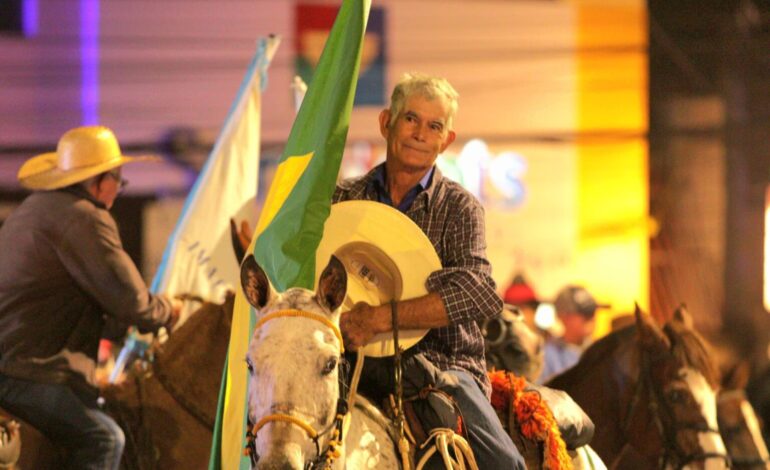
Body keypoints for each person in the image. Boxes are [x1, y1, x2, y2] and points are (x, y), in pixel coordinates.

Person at [334, 73, 526, 469]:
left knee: (506, 464)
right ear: (386, 122)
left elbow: (478, 291)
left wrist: (379, 319)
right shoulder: (344, 198)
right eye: (411, 119)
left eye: (434, 126)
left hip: (444, 367)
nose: (420, 133)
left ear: (446, 141)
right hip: (349, 361)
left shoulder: (460, 207)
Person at [0, 126, 181, 470]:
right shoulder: (86, 219)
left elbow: (70, 303)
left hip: (12, 365)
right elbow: (135, 304)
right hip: (29, 373)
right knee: (104, 438)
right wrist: (168, 310)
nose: (119, 187)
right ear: (100, 179)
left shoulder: (32, 210)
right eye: (119, 179)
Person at [537, 284, 606, 384]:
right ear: (563, 316)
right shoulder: (546, 356)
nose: (592, 318)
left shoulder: (600, 351)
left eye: (593, 312)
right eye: (586, 314)